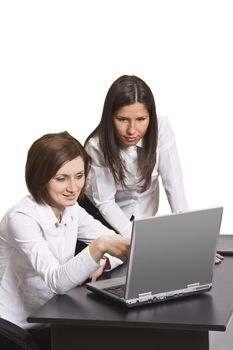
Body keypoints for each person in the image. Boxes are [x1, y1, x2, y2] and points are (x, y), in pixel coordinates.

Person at [0, 131, 130, 349]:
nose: (73, 188)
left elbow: (119, 243)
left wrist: (104, 260)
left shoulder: (71, 209)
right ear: (39, 177)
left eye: (79, 176)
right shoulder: (21, 219)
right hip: (14, 329)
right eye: (61, 179)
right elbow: (56, 280)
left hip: (52, 318)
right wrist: (100, 247)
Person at [83, 74, 223, 264]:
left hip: (142, 219)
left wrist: (191, 241)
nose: (132, 130)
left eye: (141, 119)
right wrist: (140, 242)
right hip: (104, 220)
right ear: (110, 117)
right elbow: (106, 203)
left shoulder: (162, 126)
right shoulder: (96, 145)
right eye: (123, 119)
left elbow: (173, 184)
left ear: (150, 115)